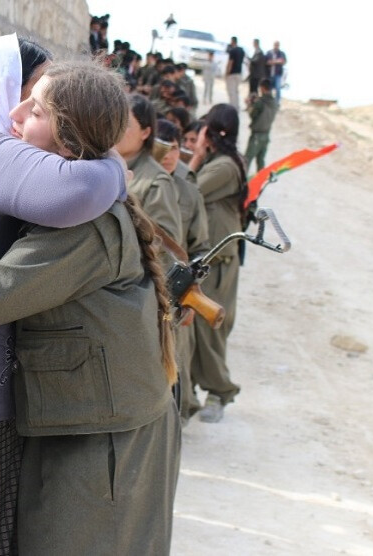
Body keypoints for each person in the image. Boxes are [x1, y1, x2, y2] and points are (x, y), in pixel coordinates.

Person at [0, 60, 182, 556]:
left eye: (38, 108)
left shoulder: (81, 227)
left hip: (104, 441)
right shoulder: (86, 195)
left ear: (68, 144)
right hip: (103, 425)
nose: (18, 111)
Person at [186, 103, 247, 423]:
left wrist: (195, 156)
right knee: (193, 328)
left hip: (219, 262)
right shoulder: (220, 161)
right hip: (209, 259)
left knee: (210, 329)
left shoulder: (224, 167)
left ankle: (221, 392)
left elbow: (189, 189)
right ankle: (194, 390)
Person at [153, 119, 211, 423]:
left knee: (177, 360)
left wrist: (193, 291)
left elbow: (200, 245)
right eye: (163, 147)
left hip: (178, 294)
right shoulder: (140, 185)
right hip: (147, 293)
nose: (169, 154)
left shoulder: (189, 193)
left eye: (175, 147)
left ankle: (181, 415)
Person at [115, 94, 184, 257]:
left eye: (125, 124)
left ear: (145, 132)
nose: (115, 129)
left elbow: (168, 244)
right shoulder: (104, 165)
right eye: (112, 121)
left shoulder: (156, 182)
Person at [244, 78, 278, 174]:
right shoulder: (274, 102)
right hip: (266, 135)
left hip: (256, 136)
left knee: (247, 160)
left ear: (262, 88)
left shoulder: (260, 102)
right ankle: (260, 184)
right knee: (260, 161)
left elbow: (252, 115)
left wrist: (249, 105)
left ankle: (241, 184)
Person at [225, 36, 245, 108]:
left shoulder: (232, 51)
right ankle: (237, 106)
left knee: (231, 92)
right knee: (236, 91)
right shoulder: (242, 50)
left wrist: (227, 73)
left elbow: (230, 63)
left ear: (232, 41)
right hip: (239, 73)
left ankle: (232, 107)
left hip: (232, 74)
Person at [266, 40, 287, 105]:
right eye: (275, 44)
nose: (276, 46)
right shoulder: (269, 52)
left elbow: (283, 61)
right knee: (269, 89)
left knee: (278, 89)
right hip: (270, 74)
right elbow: (267, 62)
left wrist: (273, 61)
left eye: (277, 45)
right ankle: (270, 102)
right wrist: (277, 61)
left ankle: (277, 103)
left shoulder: (281, 53)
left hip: (278, 74)